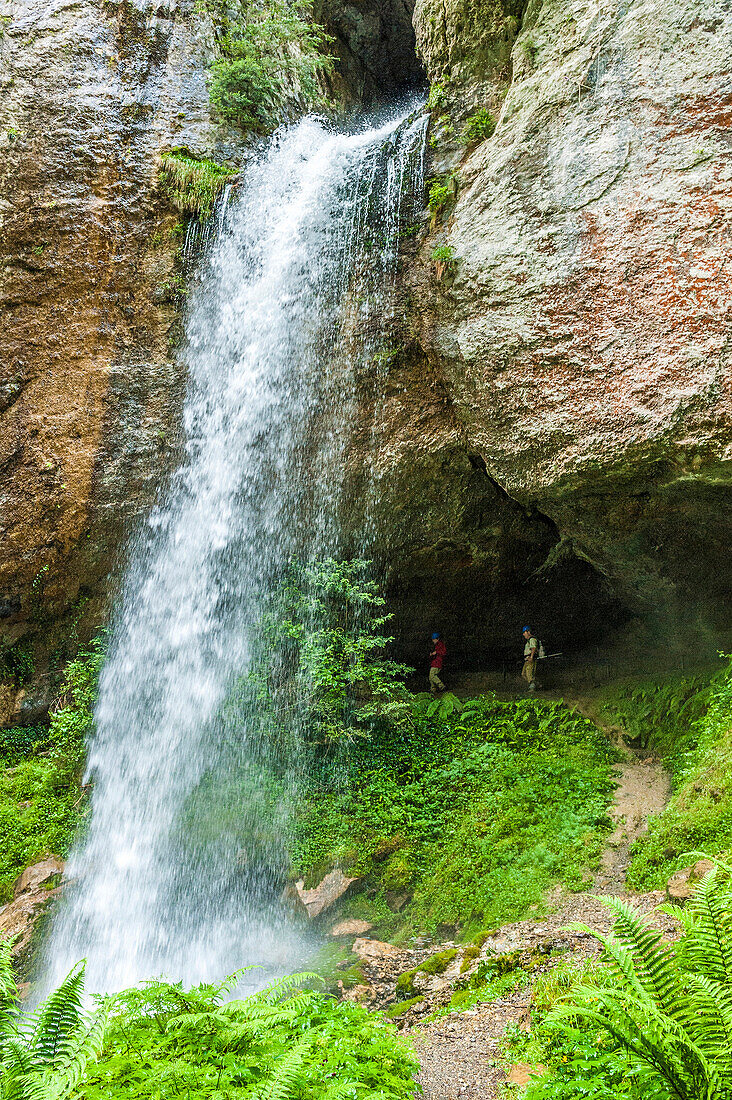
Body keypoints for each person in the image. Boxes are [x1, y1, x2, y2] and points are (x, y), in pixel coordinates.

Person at [521, 626, 539, 691]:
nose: (523, 634)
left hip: (530, 659)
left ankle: (532, 688)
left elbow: (533, 648)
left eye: (524, 632)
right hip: (527, 659)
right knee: (523, 674)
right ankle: (536, 684)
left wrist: (531, 657)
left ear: (528, 632)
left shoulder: (532, 639)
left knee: (529, 673)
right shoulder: (528, 641)